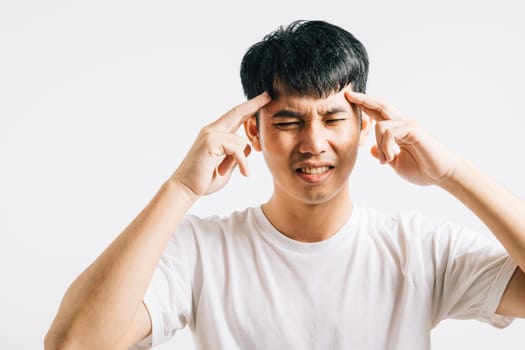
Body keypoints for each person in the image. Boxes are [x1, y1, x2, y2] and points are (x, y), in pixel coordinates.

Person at [45, 20, 525, 350]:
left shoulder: (420, 249)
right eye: (289, 121)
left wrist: (452, 173)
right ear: (252, 131)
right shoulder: (202, 251)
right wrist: (180, 189)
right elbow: (75, 343)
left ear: (363, 125)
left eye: (334, 118)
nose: (313, 143)